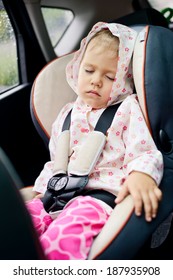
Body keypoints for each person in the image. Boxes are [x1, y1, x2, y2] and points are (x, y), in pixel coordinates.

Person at [26, 22, 163, 260]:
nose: (96, 81)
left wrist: (143, 174)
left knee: (63, 237)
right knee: (20, 224)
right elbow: (57, 162)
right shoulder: (67, 113)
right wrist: (40, 192)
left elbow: (144, 151)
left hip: (98, 199)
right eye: (89, 71)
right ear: (77, 69)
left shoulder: (128, 109)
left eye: (109, 76)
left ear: (124, 78)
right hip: (55, 196)